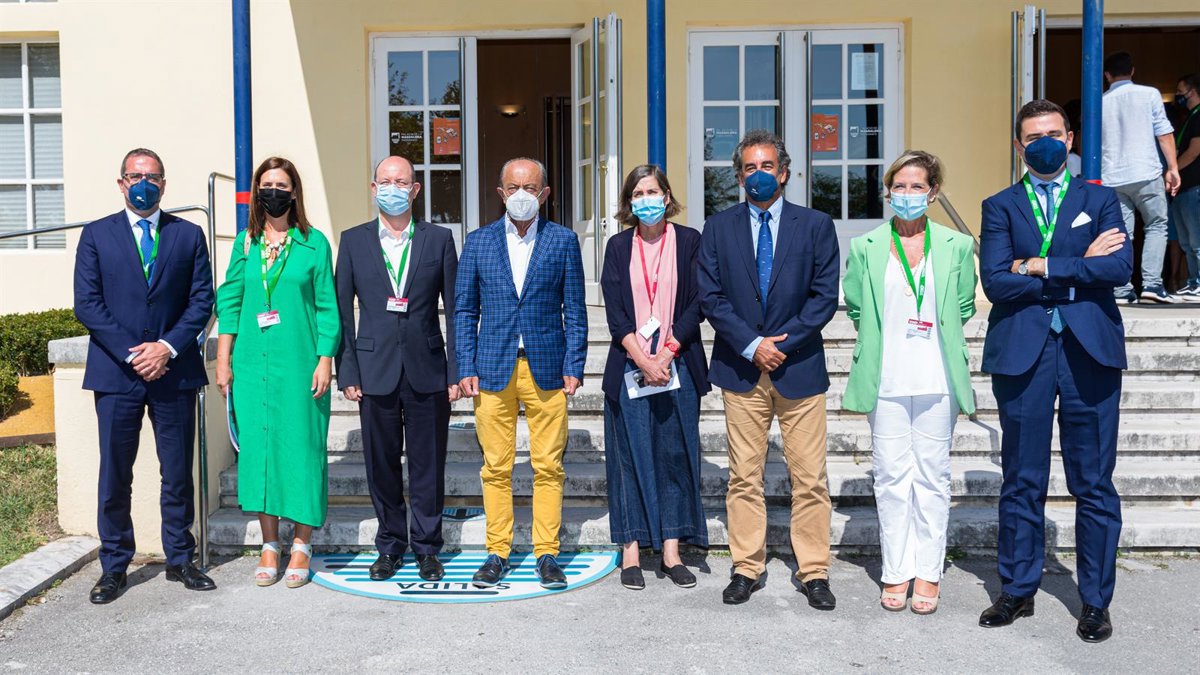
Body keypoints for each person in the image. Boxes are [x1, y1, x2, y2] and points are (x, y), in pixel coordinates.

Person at [978, 100, 1131, 643]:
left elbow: (1118, 268)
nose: (1043, 143)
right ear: (1019, 146)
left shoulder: (1100, 199)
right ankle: (1017, 590)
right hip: (1024, 351)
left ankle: (1095, 601)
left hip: (1090, 350)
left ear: (1068, 139)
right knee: (1022, 478)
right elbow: (996, 281)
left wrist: (1039, 264)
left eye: (1053, 133)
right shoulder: (1000, 205)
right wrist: (1079, 264)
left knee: (1093, 482)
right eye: (1032, 136)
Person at [696, 129, 840, 609]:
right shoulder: (718, 228)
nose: (758, 174)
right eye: (749, 168)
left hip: (800, 368)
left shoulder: (816, 225)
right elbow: (711, 296)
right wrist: (752, 344)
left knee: (810, 478)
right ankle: (746, 567)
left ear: (784, 172)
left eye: (767, 166)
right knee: (744, 476)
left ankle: (814, 571)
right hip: (741, 369)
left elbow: (824, 296)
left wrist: (781, 344)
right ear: (739, 177)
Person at [74, 148, 216, 604]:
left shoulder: (188, 234)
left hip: (174, 372)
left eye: (152, 177)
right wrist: (134, 353)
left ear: (164, 185)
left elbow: (202, 299)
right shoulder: (96, 235)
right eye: (135, 176)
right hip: (117, 375)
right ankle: (114, 565)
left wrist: (167, 347)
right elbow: (87, 303)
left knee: (177, 472)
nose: (144, 184)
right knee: (116, 474)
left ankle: (180, 559)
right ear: (121, 183)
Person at [842, 151, 977, 614]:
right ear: (888, 192)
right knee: (890, 477)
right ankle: (896, 569)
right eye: (899, 186)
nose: (907, 194)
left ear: (933, 192)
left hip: (938, 378)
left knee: (933, 477)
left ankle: (928, 571)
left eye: (917, 186)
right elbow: (856, 305)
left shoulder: (957, 245)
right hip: (886, 378)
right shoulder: (866, 246)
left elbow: (964, 306)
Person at [455, 157, 587, 590]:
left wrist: (574, 364)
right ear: (501, 193)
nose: (522, 195)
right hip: (492, 368)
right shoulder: (478, 242)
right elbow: (464, 310)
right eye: (513, 188)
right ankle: (498, 551)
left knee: (548, 466)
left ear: (545, 194)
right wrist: (466, 365)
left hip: (547, 367)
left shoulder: (563, 241)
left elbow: (575, 310)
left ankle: (547, 552)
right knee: (496, 467)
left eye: (530, 188)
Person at [215, 157, 341, 588]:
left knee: (303, 451)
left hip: (300, 363)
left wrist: (325, 359)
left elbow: (327, 307)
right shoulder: (245, 244)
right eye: (266, 184)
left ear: (294, 192)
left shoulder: (313, 243)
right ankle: (270, 543)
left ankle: (302, 543)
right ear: (257, 192)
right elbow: (230, 301)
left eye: (281, 185)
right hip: (253, 366)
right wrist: (224, 359)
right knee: (260, 452)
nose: (274, 192)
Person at [334, 156, 459, 582]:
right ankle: (390, 545)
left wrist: (455, 372)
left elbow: (455, 310)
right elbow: (342, 314)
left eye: (401, 182)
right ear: (373, 189)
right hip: (373, 371)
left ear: (415, 189)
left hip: (428, 368)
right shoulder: (353, 241)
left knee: (428, 464)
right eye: (385, 182)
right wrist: (348, 371)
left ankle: (426, 547)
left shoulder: (439, 240)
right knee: (381, 464)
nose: (393, 188)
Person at [600, 164, 709, 591]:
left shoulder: (690, 241)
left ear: (666, 196)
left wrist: (665, 353)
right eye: (638, 194)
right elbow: (614, 311)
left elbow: (698, 302)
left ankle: (671, 551)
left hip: (677, 363)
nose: (646, 200)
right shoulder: (616, 246)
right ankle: (631, 550)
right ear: (629, 202)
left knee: (674, 456)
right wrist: (642, 358)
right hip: (630, 365)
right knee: (628, 458)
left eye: (652, 192)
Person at [1100, 51, 1181, 303]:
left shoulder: (1100, 101)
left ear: (1107, 75)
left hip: (1112, 177)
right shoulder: (1149, 94)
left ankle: (1121, 288)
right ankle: (1152, 285)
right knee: (1156, 225)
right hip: (1146, 172)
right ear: (1132, 71)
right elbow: (1164, 133)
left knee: (1121, 233)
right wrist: (1173, 167)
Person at [1171, 74, 1200, 299]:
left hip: (1194, 186)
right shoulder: (1190, 117)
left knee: (1196, 240)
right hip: (1184, 188)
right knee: (1187, 242)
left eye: (1181, 91)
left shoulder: (1199, 116)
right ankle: (1193, 281)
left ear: (1192, 91)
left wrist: (1173, 170)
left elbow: (1194, 150)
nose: (1178, 95)